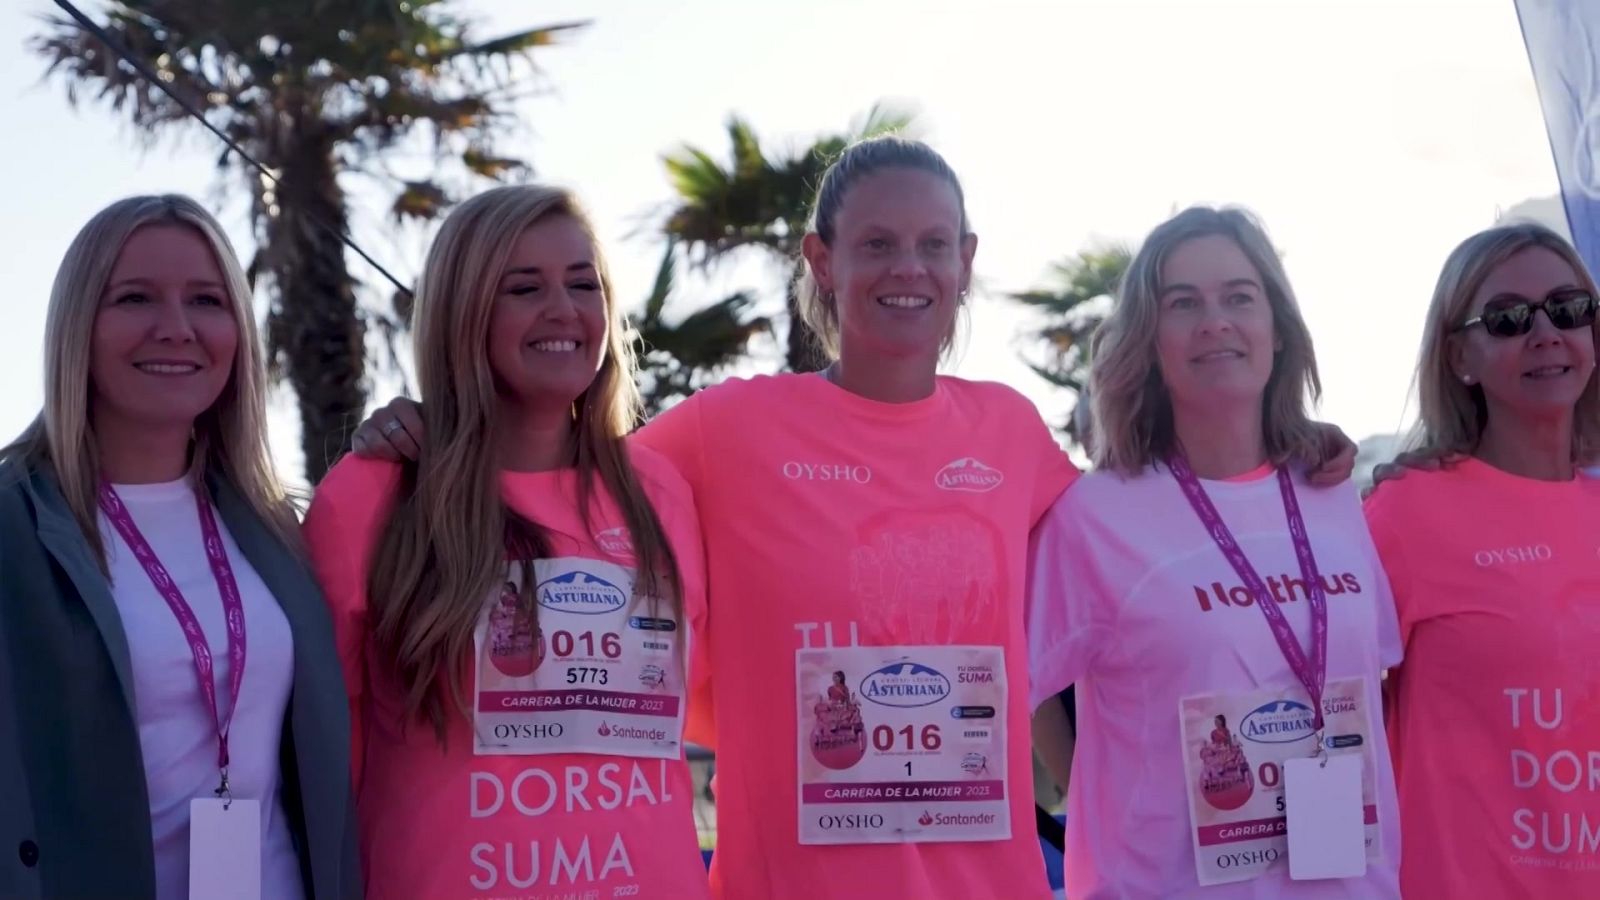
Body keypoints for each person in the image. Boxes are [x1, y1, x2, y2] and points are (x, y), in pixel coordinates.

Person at [350, 138, 1358, 899]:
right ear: (820, 261)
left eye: (931, 245)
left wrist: (1286, 460)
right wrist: (430, 428)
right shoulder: (724, 431)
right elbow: (555, 483)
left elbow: (1155, 534)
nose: (905, 269)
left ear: (966, 262)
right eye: (874, 244)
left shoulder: (1008, 432)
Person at [302, 185, 711, 900]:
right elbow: (319, 750)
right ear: (465, 314)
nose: (563, 309)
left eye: (583, 284)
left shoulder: (662, 492)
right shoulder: (375, 492)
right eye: (525, 287)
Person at [1027, 206, 1402, 898]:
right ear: (1148, 339)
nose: (1215, 320)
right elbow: (1010, 688)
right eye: (1183, 303)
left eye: (1239, 296)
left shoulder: (1331, 491)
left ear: (1278, 330)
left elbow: (1370, 685)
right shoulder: (1095, 515)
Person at [0, 195, 359, 899]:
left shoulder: (279, 530)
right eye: (135, 298)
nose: (176, 329)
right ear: (79, 325)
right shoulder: (14, 526)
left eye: (206, 300)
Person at [1364, 222, 1600, 898]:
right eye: (1506, 319)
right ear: (1460, 356)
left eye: (1569, 308)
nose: (1546, 333)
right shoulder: (1409, 514)